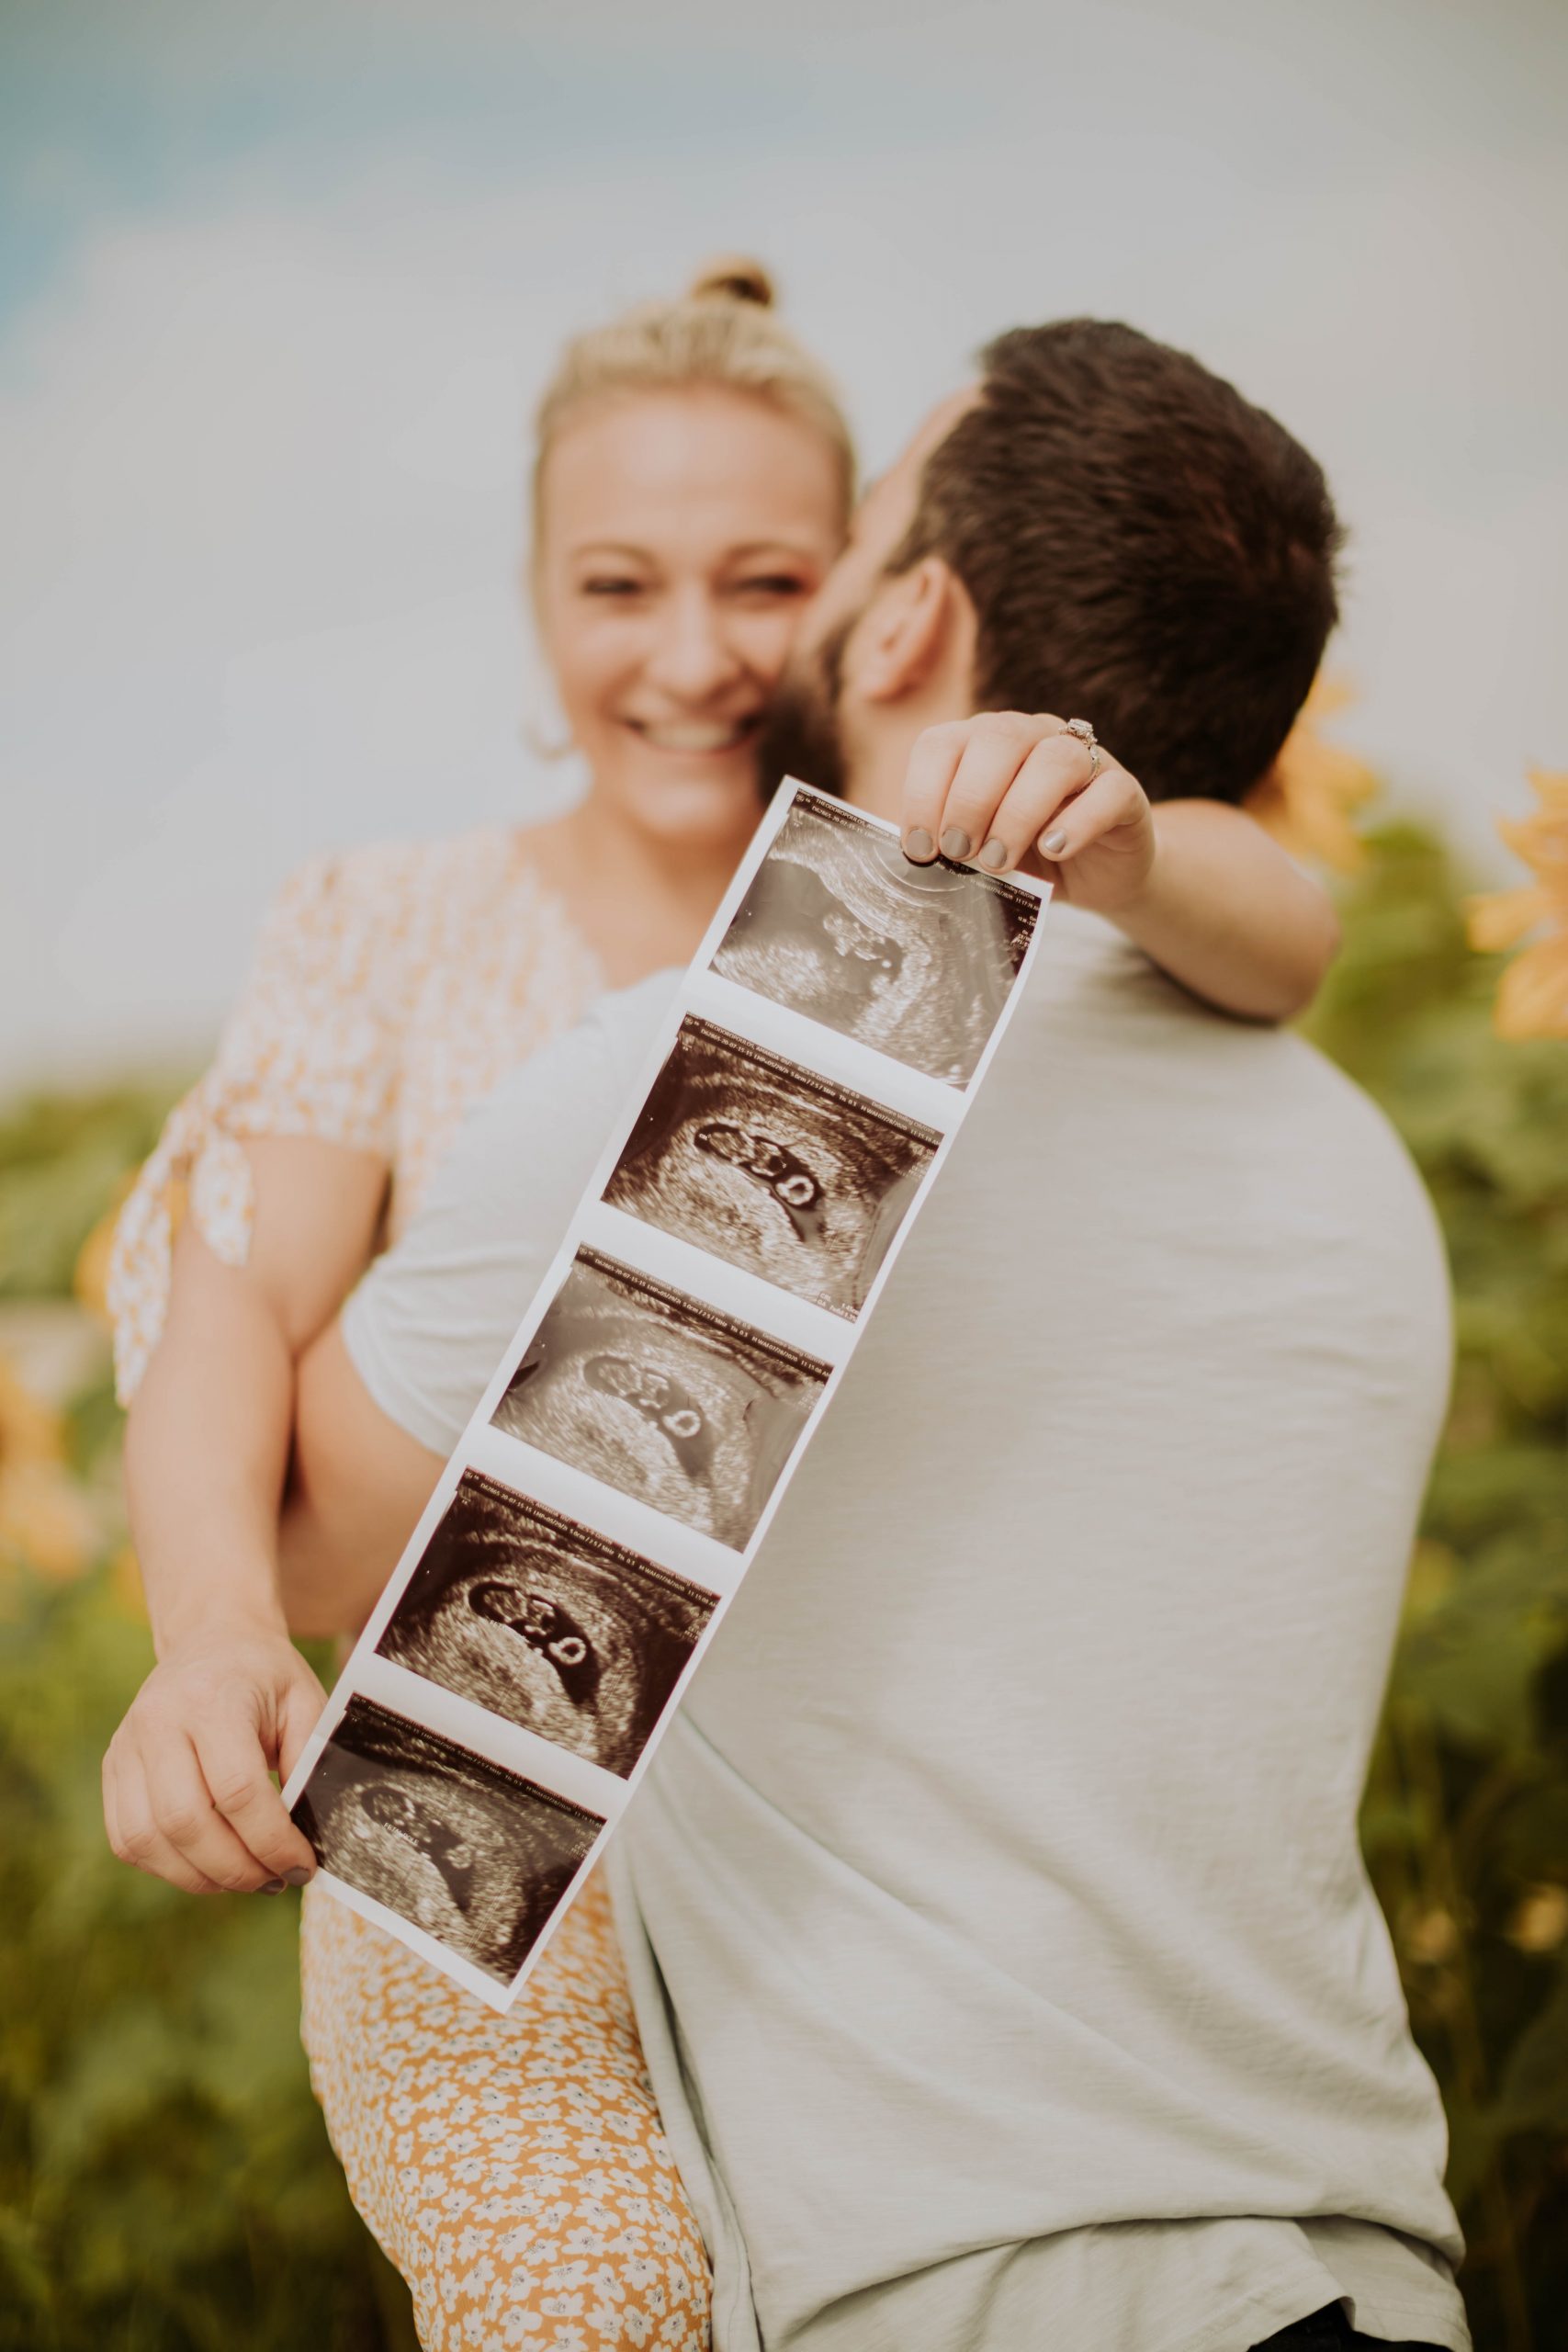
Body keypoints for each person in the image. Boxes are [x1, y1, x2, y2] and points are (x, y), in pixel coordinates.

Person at [101, 302, 1353, 2350]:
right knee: (599, 2300)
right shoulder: (387, 915)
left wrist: (1115, 835)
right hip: (508, 1865)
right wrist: (216, 1630)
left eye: (762, 580)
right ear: (531, 596)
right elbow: (233, 1290)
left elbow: (1282, 926)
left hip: (863, 1886)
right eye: (616, 586)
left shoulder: (925, 907)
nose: (688, 654)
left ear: (866, 603)